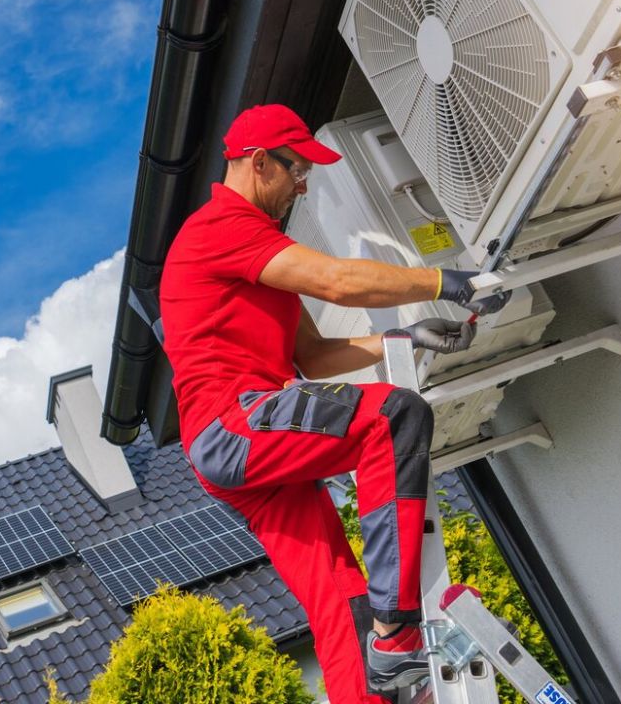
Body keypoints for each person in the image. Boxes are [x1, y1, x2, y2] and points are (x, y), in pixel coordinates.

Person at [159, 104, 509, 702]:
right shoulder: (223, 226)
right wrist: (446, 283)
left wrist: (403, 336)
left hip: (239, 450)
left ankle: (369, 682)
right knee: (393, 417)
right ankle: (395, 636)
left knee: (339, 596)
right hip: (235, 424)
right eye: (297, 170)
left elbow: (315, 357)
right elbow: (336, 282)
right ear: (259, 161)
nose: (303, 184)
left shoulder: (257, 253)